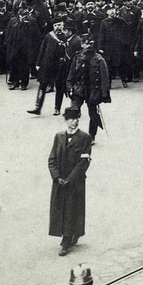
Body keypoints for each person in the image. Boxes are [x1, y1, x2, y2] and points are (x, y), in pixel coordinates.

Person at [49, 106, 93, 255]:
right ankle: (69, 235)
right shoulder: (58, 137)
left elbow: (84, 162)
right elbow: (52, 159)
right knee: (61, 209)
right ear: (66, 120)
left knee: (73, 209)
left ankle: (66, 242)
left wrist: (70, 179)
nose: (75, 122)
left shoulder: (85, 138)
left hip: (75, 182)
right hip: (60, 181)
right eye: (72, 119)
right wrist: (57, 177)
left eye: (77, 119)